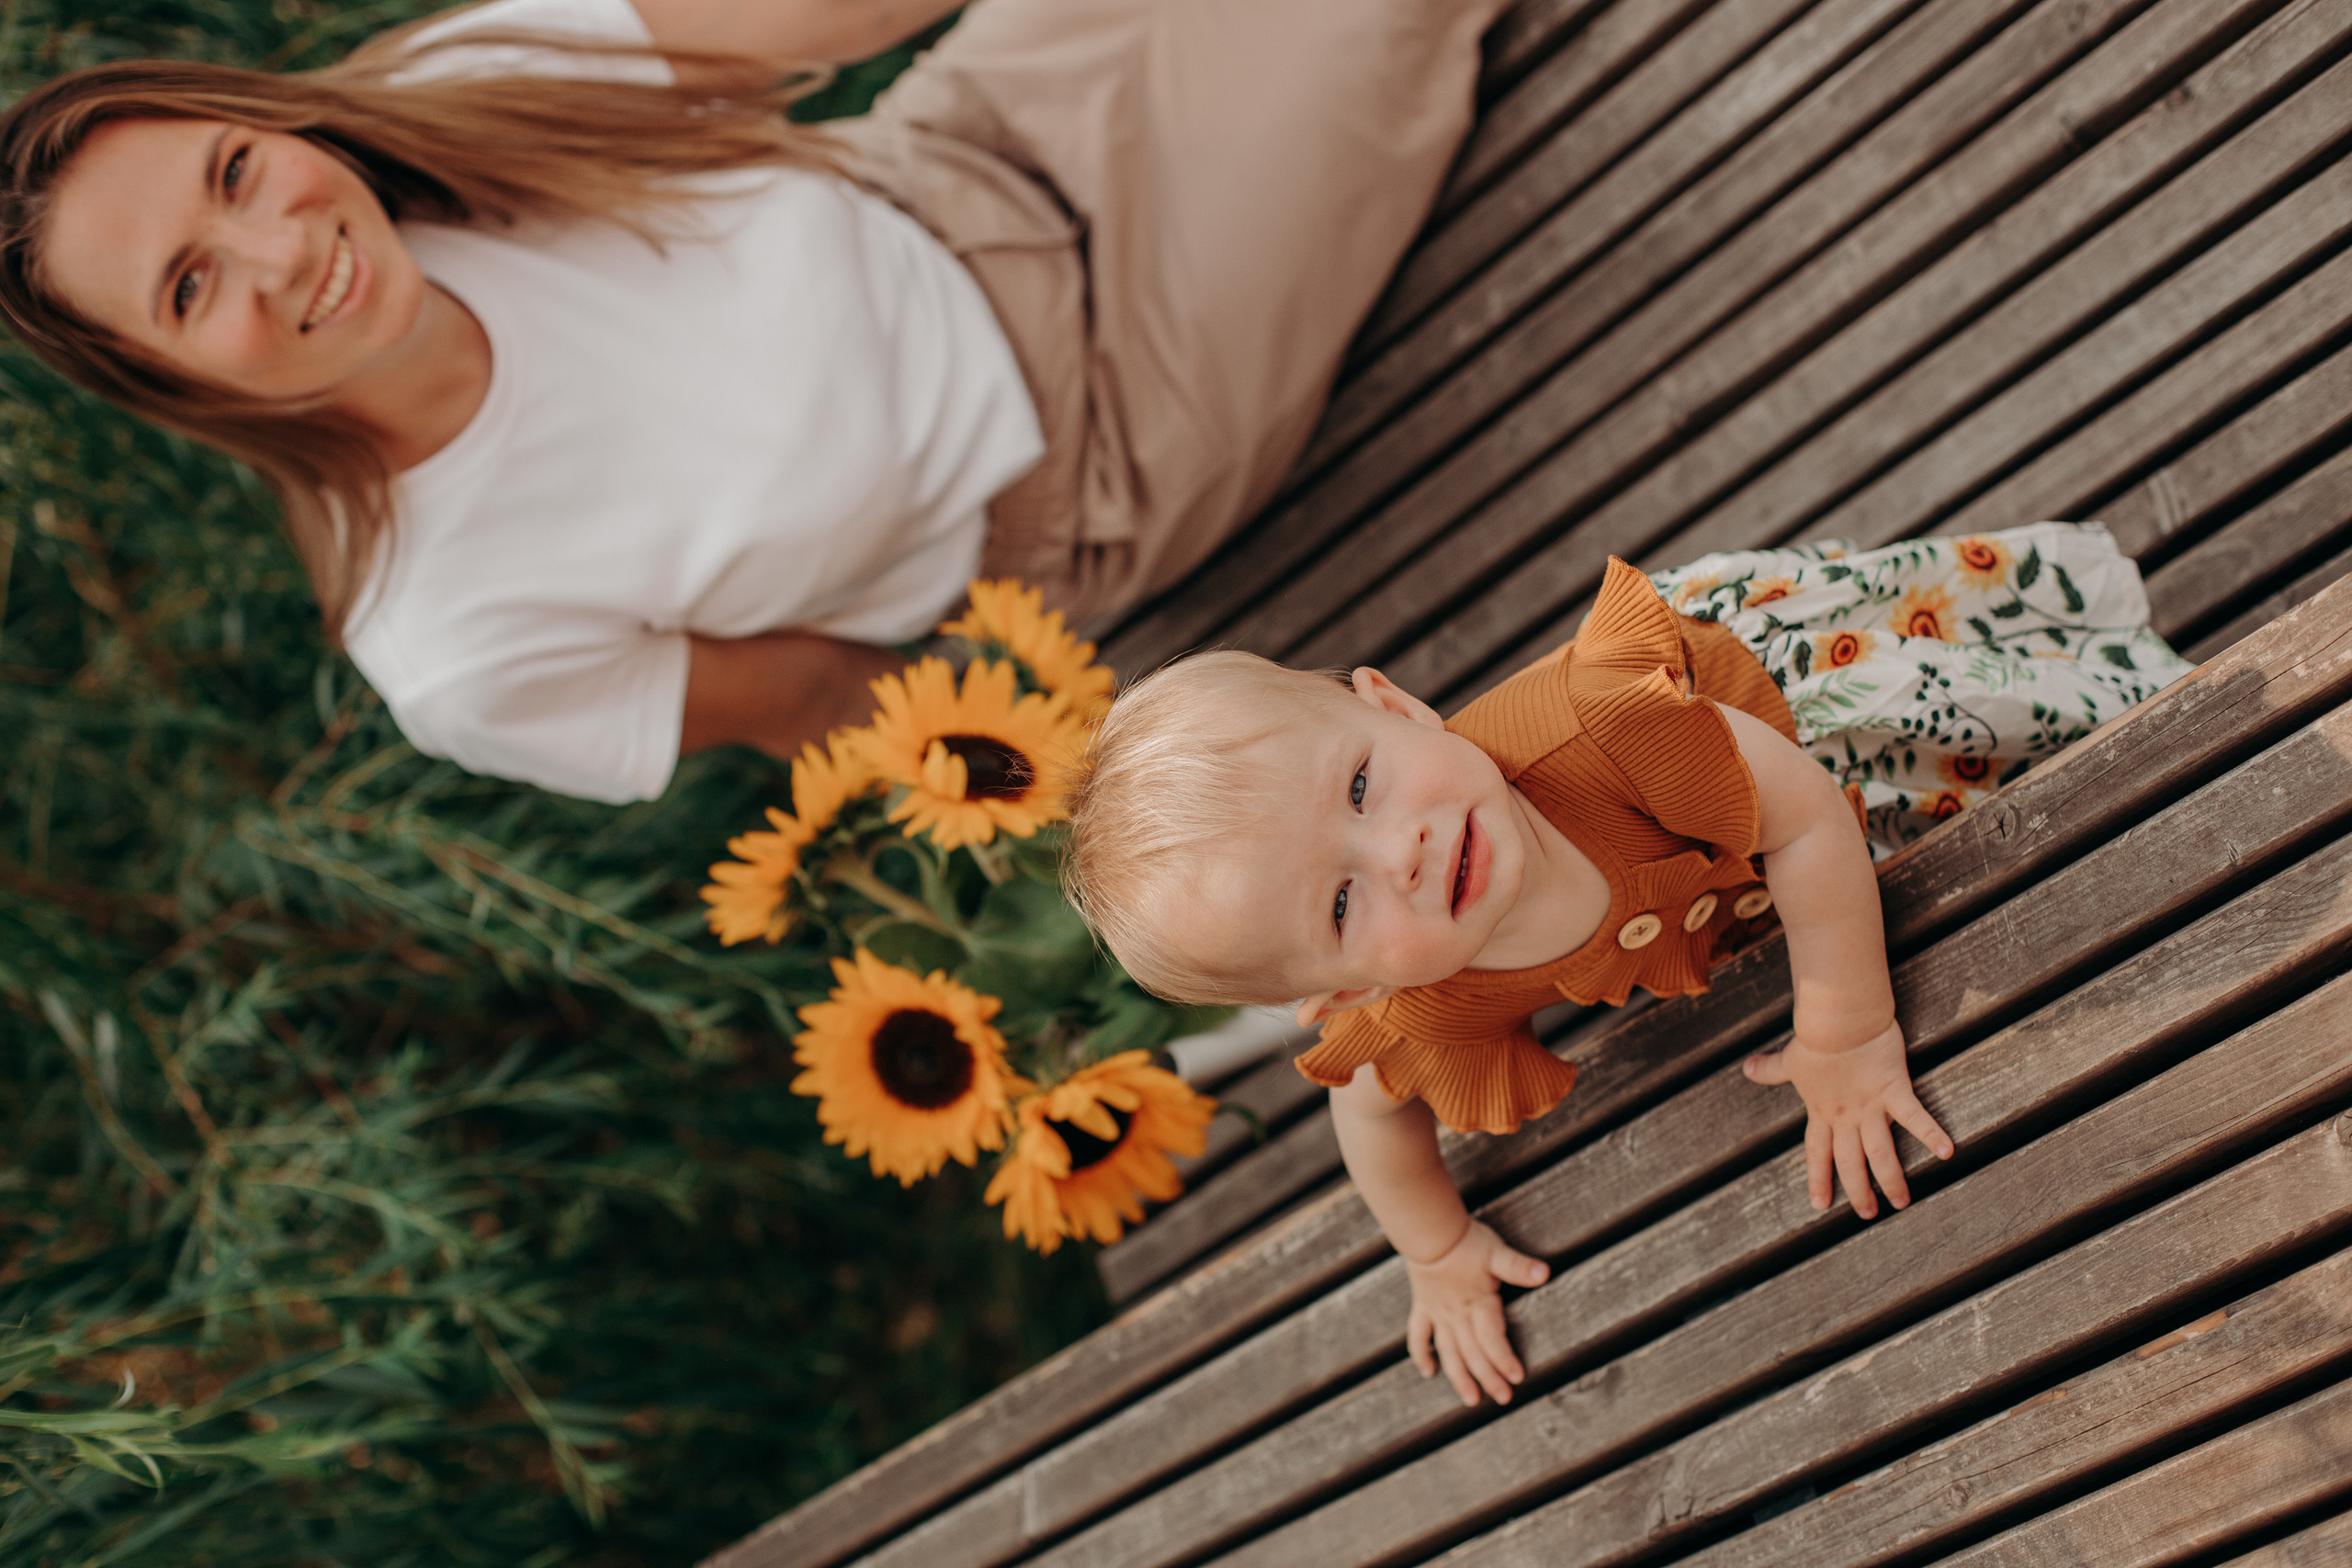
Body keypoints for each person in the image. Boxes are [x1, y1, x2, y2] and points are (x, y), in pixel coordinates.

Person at [0, 0, 1510, 802]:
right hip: (1094, 438)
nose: (281, 250)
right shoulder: (455, 642)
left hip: (964, 147)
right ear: (165, 379)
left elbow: (827, 17)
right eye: (192, 288)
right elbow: (823, 703)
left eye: (237, 169)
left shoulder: (466, 94)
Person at [1062, 522, 2193, 1411]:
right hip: (1730, 865)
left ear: (1395, 707)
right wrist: (1437, 1248)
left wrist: (1843, 1030)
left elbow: (1803, 823)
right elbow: (1370, 1116)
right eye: (1343, 901)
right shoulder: (1421, 999)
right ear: (1348, 991)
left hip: (1788, 727)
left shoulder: (1609, 727)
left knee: (1995, 745)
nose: (1396, 850)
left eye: (1361, 787)